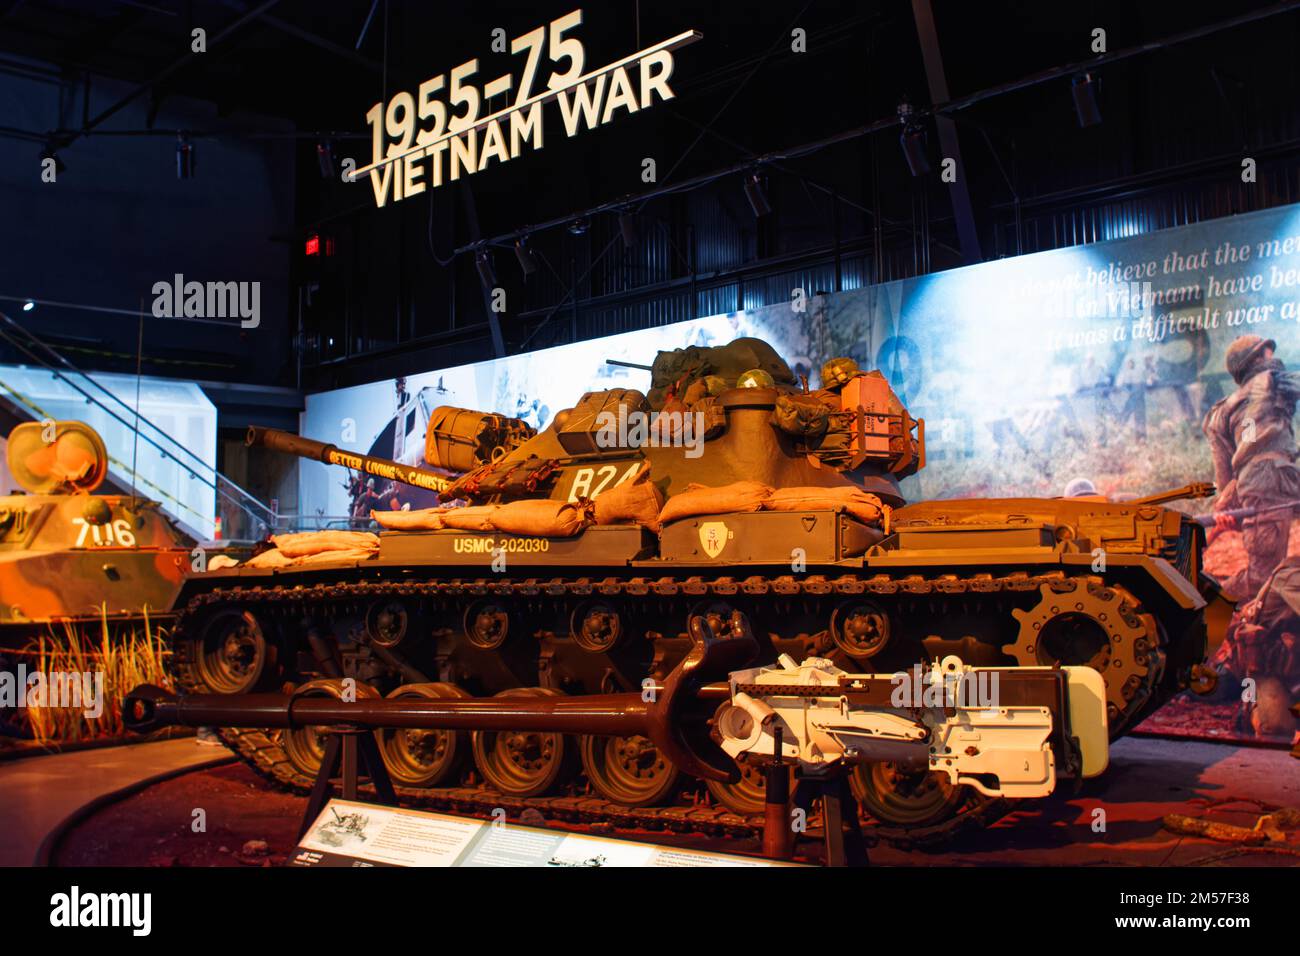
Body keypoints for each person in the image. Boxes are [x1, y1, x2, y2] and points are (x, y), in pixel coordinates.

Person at [1203, 335, 1300, 596]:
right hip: (1275, 480)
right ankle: (1211, 602)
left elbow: (1225, 475)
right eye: (1268, 353)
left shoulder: (1221, 411)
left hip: (1267, 481)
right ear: (1256, 359)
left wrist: (1226, 506)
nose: (1273, 357)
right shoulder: (1273, 382)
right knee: (1262, 576)